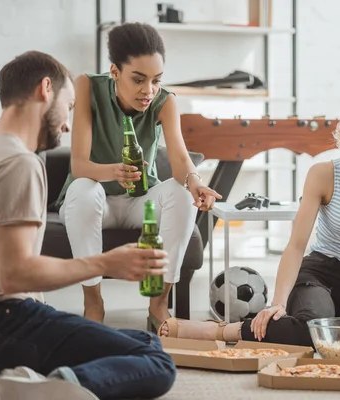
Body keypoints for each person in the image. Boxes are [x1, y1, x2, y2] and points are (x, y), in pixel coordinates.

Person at [156, 85, 340, 347]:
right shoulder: (324, 174)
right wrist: (278, 303)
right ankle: (221, 331)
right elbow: (296, 245)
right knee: (311, 329)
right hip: (318, 275)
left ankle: (329, 328)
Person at [0, 51, 176, 400]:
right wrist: (107, 263)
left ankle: (29, 375)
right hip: (4, 319)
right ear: (46, 89)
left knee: (144, 339)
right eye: (69, 106)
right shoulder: (19, 163)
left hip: (8, 318)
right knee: (154, 361)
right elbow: (13, 274)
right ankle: (33, 389)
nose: (66, 124)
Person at [55, 22, 221, 327]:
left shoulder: (165, 101)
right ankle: (94, 305)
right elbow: (79, 165)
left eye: (156, 80)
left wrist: (196, 182)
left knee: (181, 195)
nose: (149, 91)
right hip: (95, 200)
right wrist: (114, 171)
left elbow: (180, 158)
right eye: (139, 79)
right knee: (83, 189)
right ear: (115, 72)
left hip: (139, 202)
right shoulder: (87, 86)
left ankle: (158, 306)